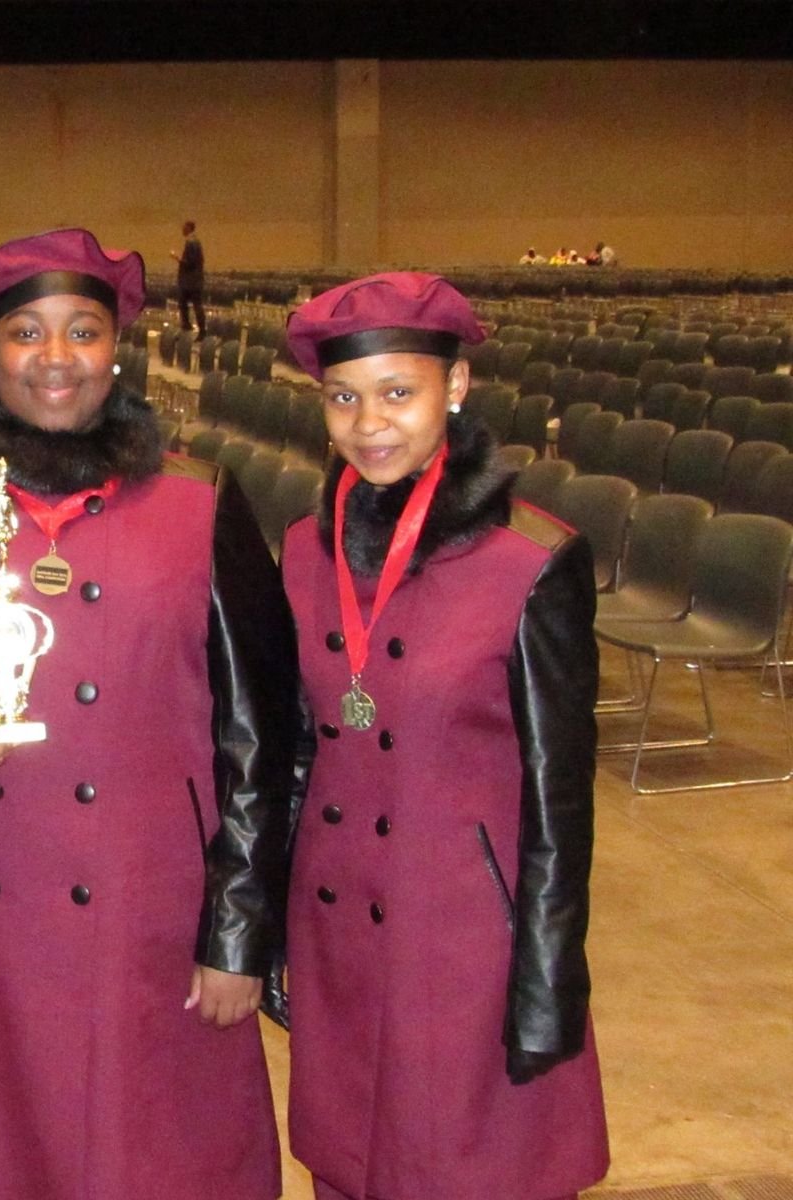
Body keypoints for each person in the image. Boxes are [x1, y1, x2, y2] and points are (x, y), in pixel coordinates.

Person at [0, 228, 301, 1199]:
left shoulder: (199, 500)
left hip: (143, 907)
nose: (55, 357)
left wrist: (237, 931)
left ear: (115, 349)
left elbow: (259, 730)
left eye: (82, 330)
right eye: (26, 331)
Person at [279, 271, 609, 1200]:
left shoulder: (531, 560)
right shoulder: (304, 548)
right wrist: (268, 929)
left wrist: (548, 983)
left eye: (398, 392)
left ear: (455, 387)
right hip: (337, 927)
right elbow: (297, 749)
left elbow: (559, 799)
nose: (370, 424)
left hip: (467, 945)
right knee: (349, 1168)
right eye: (344, 398)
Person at [170, 218, 205, 338]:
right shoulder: (195, 242)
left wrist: (177, 257)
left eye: (184, 228)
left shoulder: (191, 242)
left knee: (188, 305)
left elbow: (189, 263)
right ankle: (196, 329)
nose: (182, 230)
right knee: (194, 305)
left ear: (189, 228)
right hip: (195, 281)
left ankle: (191, 328)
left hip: (190, 282)